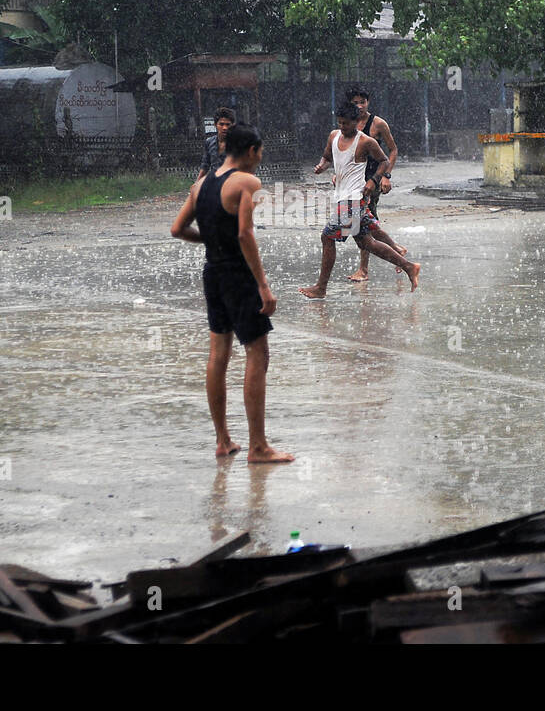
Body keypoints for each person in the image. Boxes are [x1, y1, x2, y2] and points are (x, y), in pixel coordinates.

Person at [171, 123, 293, 463]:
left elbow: (177, 228)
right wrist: (263, 286)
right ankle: (258, 447)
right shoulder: (246, 183)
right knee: (257, 353)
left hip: (212, 273)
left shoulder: (200, 186)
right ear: (252, 151)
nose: (261, 159)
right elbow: (244, 234)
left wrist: (211, 242)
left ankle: (223, 440)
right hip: (238, 277)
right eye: (261, 152)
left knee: (218, 355)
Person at [298, 103, 419, 299]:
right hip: (343, 198)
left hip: (353, 200)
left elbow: (384, 161)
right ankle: (409, 267)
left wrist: (373, 180)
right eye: (340, 123)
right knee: (367, 242)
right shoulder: (333, 136)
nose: (343, 127)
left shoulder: (365, 141)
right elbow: (327, 156)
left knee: (327, 237)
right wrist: (321, 166)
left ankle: (321, 288)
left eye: (346, 123)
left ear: (357, 122)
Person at [345, 88, 407, 282]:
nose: (360, 106)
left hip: (372, 180)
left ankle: (364, 269)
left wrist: (386, 176)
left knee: (361, 224)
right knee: (361, 224)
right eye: (355, 103)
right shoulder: (347, 124)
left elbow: (393, 150)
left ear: (368, 102)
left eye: (363, 102)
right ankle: (397, 250)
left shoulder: (378, 124)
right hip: (352, 181)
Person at [196, 106, 236, 181]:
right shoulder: (209, 142)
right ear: (215, 124)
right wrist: (197, 183)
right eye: (221, 124)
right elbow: (205, 165)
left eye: (228, 125)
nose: (224, 128)